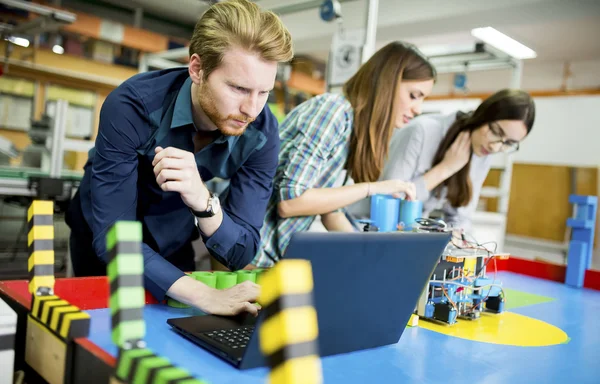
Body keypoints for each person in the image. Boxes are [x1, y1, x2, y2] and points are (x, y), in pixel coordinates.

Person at [65, 0, 293, 315]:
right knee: (104, 340)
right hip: (102, 238)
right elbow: (114, 239)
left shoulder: (263, 133)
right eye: (239, 89)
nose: (252, 109)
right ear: (197, 69)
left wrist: (205, 202)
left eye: (264, 92)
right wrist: (205, 295)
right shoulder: (132, 106)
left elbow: (241, 251)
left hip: (172, 239)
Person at [250, 41, 437, 268]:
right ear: (388, 84)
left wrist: (369, 255)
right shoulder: (333, 111)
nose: (418, 109)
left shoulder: (353, 131)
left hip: (272, 257)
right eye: (414, 95)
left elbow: (330, 211)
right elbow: (291, 202)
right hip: (250, 252)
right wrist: (373, 188)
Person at [381, 89, 536, 232]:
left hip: (410, 234)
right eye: (496, 132)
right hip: (375, 228)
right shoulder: (422, 131)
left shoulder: (482, 152)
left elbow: (461, 217)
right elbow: (389, 201)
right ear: (483, 115)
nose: (495, 148)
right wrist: (446, 169)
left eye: (509, 143)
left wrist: (455, 236)